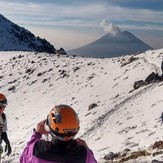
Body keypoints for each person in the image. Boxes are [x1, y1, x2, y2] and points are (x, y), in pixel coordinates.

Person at [20, 104, 97, 163]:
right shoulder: (83, 155)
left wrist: (36, 134)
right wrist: (87, 151)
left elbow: (23, 158)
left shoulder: (37, 149)